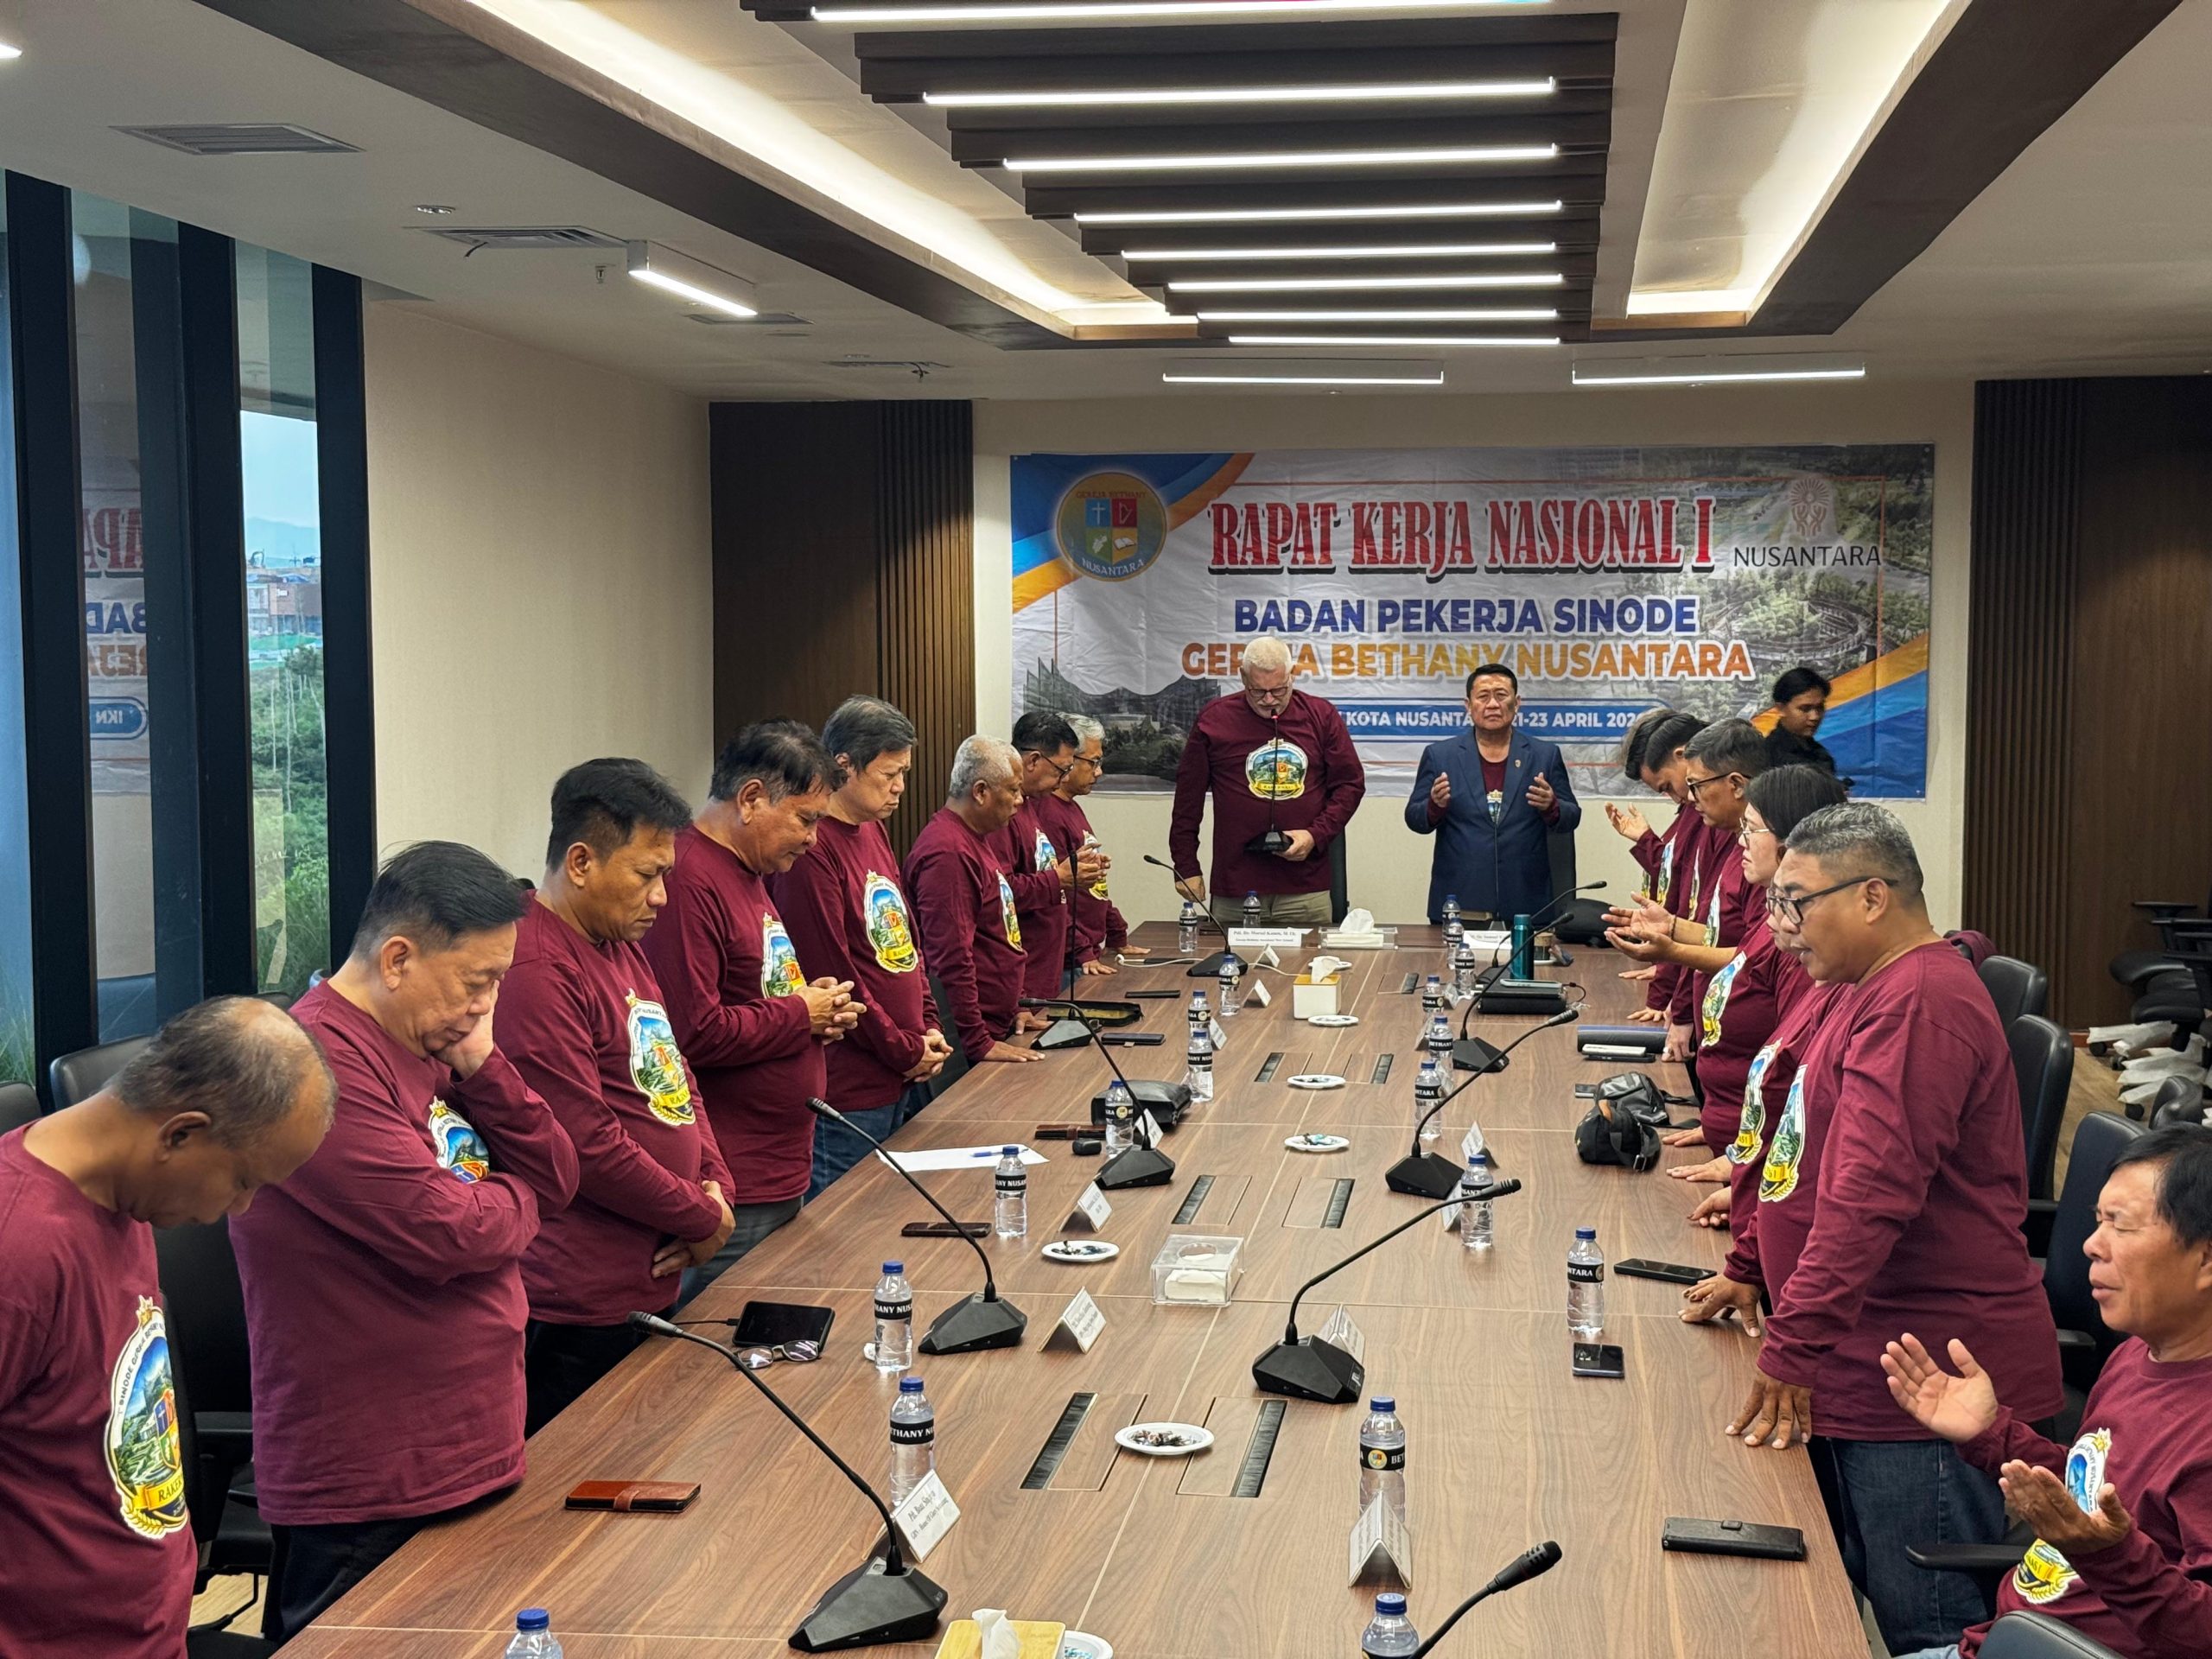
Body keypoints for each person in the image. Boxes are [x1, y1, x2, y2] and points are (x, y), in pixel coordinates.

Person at [1681, 804, 2062, 1656]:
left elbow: (1867, 1199)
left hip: (1924, 1382)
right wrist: (1753, 1264)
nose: (1782, 925)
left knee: (1924, 1629)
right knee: (1854, 1593)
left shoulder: (1918, 1003)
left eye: (1797, 902)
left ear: (1871, 897)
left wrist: (1794, 1342)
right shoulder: (1860, 987)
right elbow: (1797, 1145)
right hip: (1863, 1356)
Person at [232, 842, 582, 1639]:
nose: (486, 1005)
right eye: (476, 982)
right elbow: (450, 1233)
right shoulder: (315, 1066)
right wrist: (516, 1195)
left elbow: (561, 1175)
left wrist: (486, 1068)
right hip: (368, 1483)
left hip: (466, 1447)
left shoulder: (432, 1045)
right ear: (398, 959)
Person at [0, 998, 333, 1657]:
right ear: (181, 1134)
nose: (241, 1207)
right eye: (243, 1181)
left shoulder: (123, 1200)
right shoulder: (20, 1247)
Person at [1882, 1123, 2212, 1659]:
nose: (2091, 1245)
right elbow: (2093, 1492)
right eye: (2098, 1221)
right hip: (2003, 1638)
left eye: (2121, 1226)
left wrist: (2109, 1557)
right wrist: (1995, 1435)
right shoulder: (2137, 1354)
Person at [499, 760, 735, 1433]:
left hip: (650, 1274)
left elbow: (675, 1075)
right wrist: (701, 1215)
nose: (660, 897)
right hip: (578, 1304)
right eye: (646, 875)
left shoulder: (617, 942)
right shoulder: (536, 967)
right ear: (581, 862)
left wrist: (717, 1182)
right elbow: (586, 1143)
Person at [643, 721, 861, 1291]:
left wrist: (817, 1015)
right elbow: (690, 1032)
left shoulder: (752, 869)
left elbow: (756, 993)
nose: (813, 839)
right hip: (734, 1179)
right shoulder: (689, 879)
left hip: (780, 1166)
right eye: (806, 819)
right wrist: (800, 1015)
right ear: (751, 799)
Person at [771, 696, 952, 1198]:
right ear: (844, 765)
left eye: (904, 773)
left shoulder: (872, 829)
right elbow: (834, 971)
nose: (899, 787)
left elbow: (905, 943)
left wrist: (929, 1026)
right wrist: (904, 1049)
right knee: (847, 1228)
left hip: (903, 1071)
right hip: (849, 1090)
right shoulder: (812, 851)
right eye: (888, 774)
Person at [1664, 763, 1852, 1238]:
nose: (1741, 843)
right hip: (1745, 1160)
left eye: (1751, 830)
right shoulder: (1775, 927)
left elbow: (1797, 1085)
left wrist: (1746, 1172)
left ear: (1791, 842)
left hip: (1771, 1187)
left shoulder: (1808, 953)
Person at [1605, 719, 1771, 1149]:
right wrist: (1672, 931)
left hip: (1745, 1080)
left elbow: (1751, 958)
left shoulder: (1753, 851)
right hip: (1725, 1092)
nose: (1687, 798)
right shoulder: (1713, 826)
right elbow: (1707, 918)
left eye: (1691, 786)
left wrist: (1673, 960)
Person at [1169, 635, 1364, 929]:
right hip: (1235, 887)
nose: (1269, 700)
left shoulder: (1321, 716)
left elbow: (1350, 785)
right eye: (1258, 691)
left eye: (1279, 690)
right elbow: (1188, 800)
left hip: (1305, 890)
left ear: (1292, 675)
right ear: (1243, 677)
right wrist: (1186, 865)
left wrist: (1315, 835)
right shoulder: (1214, 720)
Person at [1402, 663, 1580, 924]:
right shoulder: (1440, 756)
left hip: (1526, 902)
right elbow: (1414, 819)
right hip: (1461, 902)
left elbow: (1572, 816)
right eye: (1483, 696)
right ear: (1468, 705)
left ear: (1517, 703)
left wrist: (1551, 806)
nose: (1493, 704)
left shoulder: (1545, 755)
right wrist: (1434, 806)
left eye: (1501, 695)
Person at [905, 736, 1039, 1066]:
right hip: (970, 1040)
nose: (1020, 800)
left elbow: (996, 930)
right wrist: (978, 1042)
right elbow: (950, 958)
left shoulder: (973, 838)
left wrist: (1017, 1004)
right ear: (980, 792)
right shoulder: (949, 852)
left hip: (994, 1026)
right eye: (1013, 790)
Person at [1613, 711, 1708, 1049]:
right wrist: (1666, 971)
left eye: (1667, 786)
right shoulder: (1693, 811)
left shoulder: (1712, 816)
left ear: (1682, 755)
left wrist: (1675, 999)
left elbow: (1708, 923)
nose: (1679, 797)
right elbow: (1679, 891)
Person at [1002, 709, 1104, 1002]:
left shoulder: (1032, 804)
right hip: (1025, 979)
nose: (1064, 778)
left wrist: (1074, 868)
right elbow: (1000, 893)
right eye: (1061, 769)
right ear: (1033, 761)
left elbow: (1044, 872)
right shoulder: (1006, 814)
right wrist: (1060, 878)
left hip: (1047, 970)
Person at [1052, 715, 1134, 978]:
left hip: (1086, 953)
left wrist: (1116, 932)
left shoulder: (1071, 807)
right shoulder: (1047, 813)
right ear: (1067, 758)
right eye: (1093, 762)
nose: (1099, 772)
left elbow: (1092, 887)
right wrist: (1081, 952)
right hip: (1070, 962)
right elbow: (1055, 898)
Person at [1765, 664, 1838, 773]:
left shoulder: (1818, 752)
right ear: (1781, 709)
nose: (1815, 716)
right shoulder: (1770, 757)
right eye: (1805, 709)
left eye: (1820, 707)